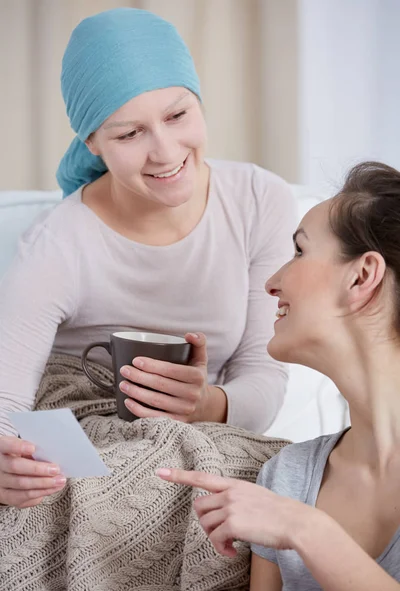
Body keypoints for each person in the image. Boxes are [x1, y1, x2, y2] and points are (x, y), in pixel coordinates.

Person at [0, 7, 296, 508]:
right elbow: (6, 404)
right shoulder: (57, 243)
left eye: (177, 115)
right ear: (92, 142)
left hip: (205, 444)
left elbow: (264, 374)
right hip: (88, 448)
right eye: (129, 133)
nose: (164, 152)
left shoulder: (259, 201)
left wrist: (207, 404)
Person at [157, 161, 400, 591]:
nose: (272, 283)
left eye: (300, 251)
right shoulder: (285, 479)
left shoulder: (285, 511)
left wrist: (305, 529)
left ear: (362, 276)